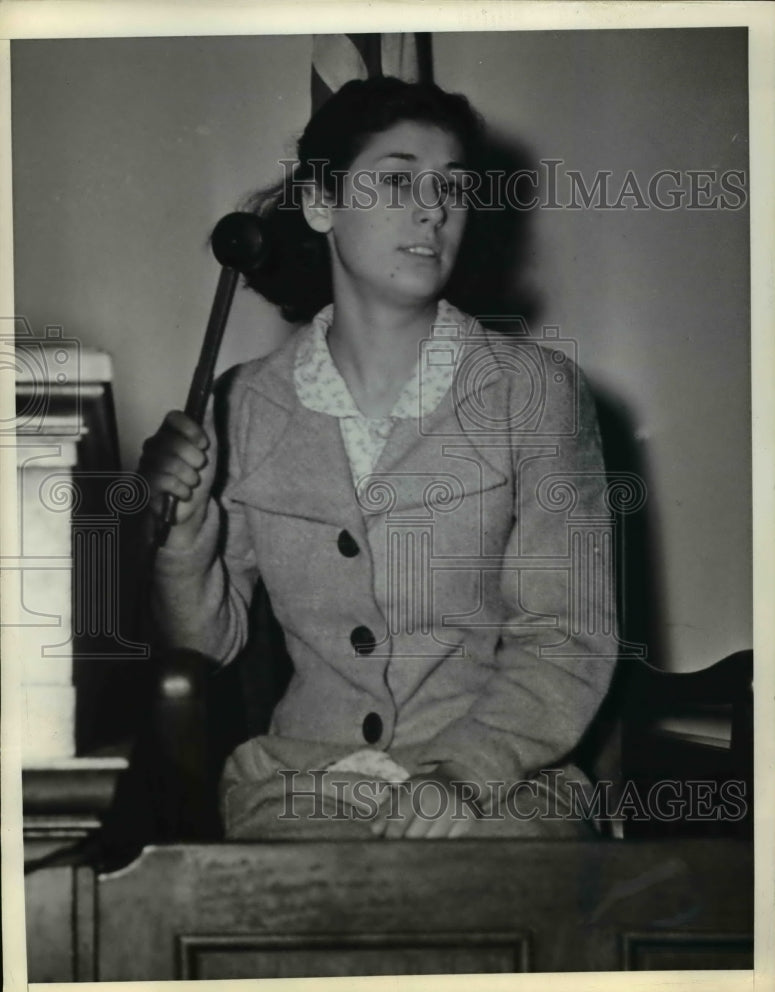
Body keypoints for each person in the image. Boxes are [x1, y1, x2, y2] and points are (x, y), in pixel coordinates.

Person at [139, 76, 619, 841]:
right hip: (306, 787)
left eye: (450, 186)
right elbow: (204, 644)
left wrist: (462, 776)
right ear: (320, 202)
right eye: (396, 179)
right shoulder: (241, 404)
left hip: (501, 783)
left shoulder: (535, 391)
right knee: (286, 913)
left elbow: (565, 636)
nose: (431, 207)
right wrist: (184, 533)